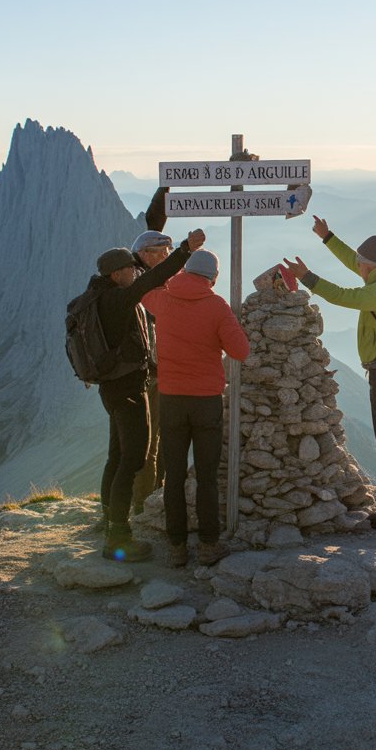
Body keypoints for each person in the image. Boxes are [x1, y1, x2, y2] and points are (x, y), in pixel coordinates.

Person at [282, 217, 376, 530]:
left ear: (370, 266)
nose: (358, 267)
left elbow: (343, 296)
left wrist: (307, 278)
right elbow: (352, 260)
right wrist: (327, 237)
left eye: (361, 265)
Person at [93, 228, 205, 561]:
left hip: (112, 387)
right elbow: (153, 279)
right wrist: (185, 250)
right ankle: (119, 536)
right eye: (130, 269)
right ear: (117, 274)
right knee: (134, 458)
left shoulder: (99, 294)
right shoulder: (120, 298)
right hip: (129, 389)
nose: (135, 273)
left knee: (117, 455)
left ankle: (109, 521)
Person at [142, 249, 250, 567]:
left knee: (174, 475)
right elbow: (241, 351)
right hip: (205, 401)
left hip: (171, 399)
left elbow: (144, 290)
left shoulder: (162, 299)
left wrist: (170, 269)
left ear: (185, 271)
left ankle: (176, 547)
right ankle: (207, 545)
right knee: (206, 476)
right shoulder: (217, 306)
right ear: (213, 278)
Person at [129, 227, 174, 514]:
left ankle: (149, 497)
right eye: (163, 252)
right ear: (146, 254)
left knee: (156, 439)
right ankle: (145, 503)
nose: (167, 257)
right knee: (150, 441)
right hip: (152, 374)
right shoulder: (144, 285)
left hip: (151, 372)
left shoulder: (137, 280)